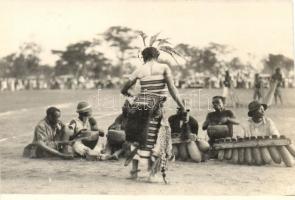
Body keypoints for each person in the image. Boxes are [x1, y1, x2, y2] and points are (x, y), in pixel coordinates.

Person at [121, 46, 185, 182]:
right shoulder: (164, 67)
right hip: (156, 108)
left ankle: (134, 172)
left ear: (144, 57)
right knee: (160, 139)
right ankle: (153, 174)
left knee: (138, 137)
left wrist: (130, 95)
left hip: (139, 106)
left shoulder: (139, 70)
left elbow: (124, 88)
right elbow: (172, 89)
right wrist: (182, 106)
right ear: (157, 56)